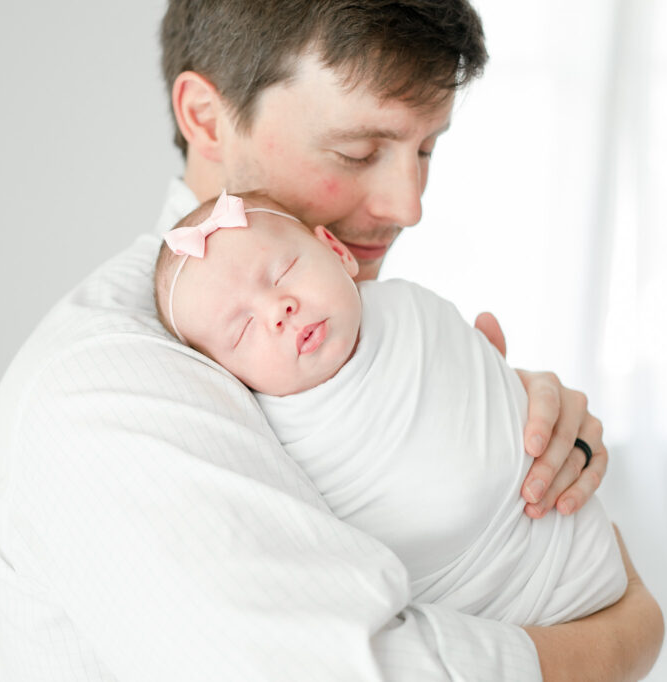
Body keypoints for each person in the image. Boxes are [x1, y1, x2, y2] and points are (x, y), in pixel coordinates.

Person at [0, 1, 663, 680]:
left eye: (427, 147)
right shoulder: (102, 391)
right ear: (206, 119)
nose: (410, 204)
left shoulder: (328, 316)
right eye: (359, 151)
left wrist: (505, 438)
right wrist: (628, 631)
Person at [155, 190, 629, 627]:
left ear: (337, 252)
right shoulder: (272, 436)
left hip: (571, 539)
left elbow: (482, 388)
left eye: (283, 273)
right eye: (242, 331)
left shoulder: (411, 306)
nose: (278, 309)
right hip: (474, 611)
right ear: (229, 378)